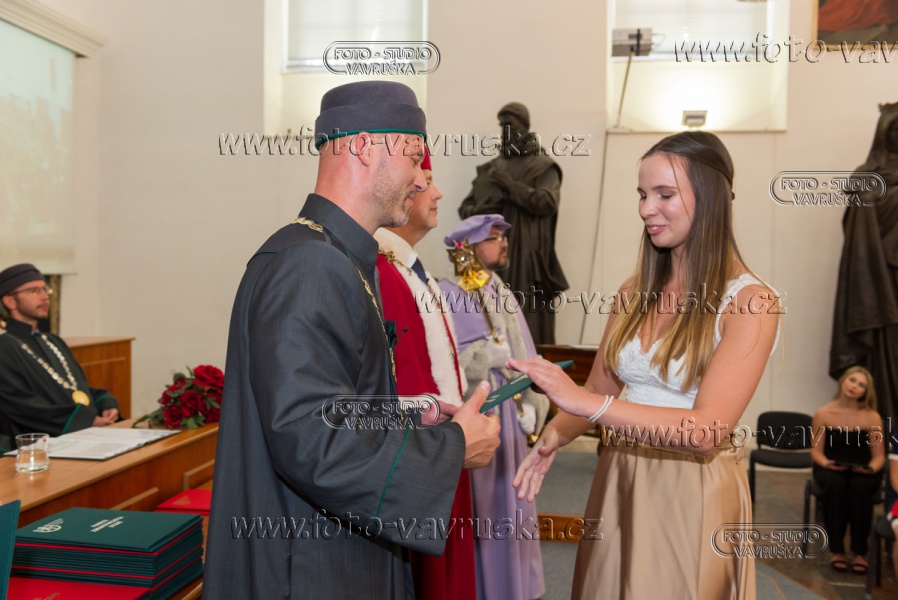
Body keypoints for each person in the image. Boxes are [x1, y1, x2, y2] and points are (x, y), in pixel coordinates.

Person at [204, 81, 501, 600]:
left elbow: (331, 406)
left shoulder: (335, 255)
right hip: (311, 567)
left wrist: (411, 415)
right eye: (414, 157)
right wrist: (451, 449)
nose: (420, 179)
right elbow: (311, 440)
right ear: (364, 147)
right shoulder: (310, 265)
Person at [510, 131, 781, 599]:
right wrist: (552, 436)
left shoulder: (751, 302)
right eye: (642, 194)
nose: (645, 209)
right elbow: (600, 389)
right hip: (619, 473)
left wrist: (590, 407)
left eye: (664, 194)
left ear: (711, 198)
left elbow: (706, 431)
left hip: (692, 485)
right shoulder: (632, 292)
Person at [373, 149, 477, 600]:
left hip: (445, 444)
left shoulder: (412, 270)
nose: (436, 193)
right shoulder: (384, 272)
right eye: (426, 180)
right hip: (428, 454)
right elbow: (405, 384)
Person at [439, 214, 547, 600]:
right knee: (484, 507)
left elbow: (525, 350)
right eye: (495, 237)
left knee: (513, 502)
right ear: (468, 247)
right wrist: (485, 358)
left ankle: (514, 587)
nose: (504, 244)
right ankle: (485, 587)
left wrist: (533, 400)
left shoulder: (499, 288)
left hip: (512, 416)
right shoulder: (447, 293)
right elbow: (448, 362)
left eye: (503, 237)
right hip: (481, 415)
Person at [458, 102, 568, 345]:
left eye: (511, 125)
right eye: (502, 126)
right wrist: (481, 209)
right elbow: (465, 209)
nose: (505, 131)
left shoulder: (542, 166)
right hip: (486, 258)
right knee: (486, 321)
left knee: (527, 322)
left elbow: (547, 202)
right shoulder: (491, 169)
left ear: (525, 127)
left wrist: (510, 186)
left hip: (526, 259)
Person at [0, 263, 119, 451]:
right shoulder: (4, 346)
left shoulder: (53, 341)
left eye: (45, 289)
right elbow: (21, 405)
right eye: (34, 291)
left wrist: (105, 403)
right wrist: (85, 420)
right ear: (10, 301)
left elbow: (73, 389)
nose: (44, 297)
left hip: (84, 436)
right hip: (41, 446)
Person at [830, 101, 898, 418]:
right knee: (881, 352)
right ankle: (882, 434)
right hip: (876, 279)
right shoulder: (867, 176)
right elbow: (857, 236)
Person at [811, 366, 884, 574]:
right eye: (852, 380)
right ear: (843, 380)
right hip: (831, 465)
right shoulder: (823, 414)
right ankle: (837, 549)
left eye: (861, 385)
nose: (855, 386)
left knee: (860, 487)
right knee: (835, 486)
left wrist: (871, 468)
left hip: (863, 468)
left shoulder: (872, 417)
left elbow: (879, 456)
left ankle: (860, 551)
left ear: (866, 392)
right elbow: (816, 451)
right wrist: (827, 463)